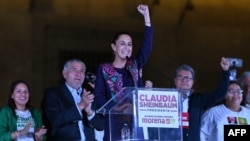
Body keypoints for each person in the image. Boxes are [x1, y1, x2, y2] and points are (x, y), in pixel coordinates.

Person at [93, 4, 153, 140]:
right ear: (114, 47)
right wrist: (118, 108)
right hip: (114, 124)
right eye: (122, 43)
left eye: (130, 44)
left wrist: (146, 17)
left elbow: (147, 47)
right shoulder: (104, 69)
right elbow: (99, 98)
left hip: (136, 124)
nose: (127, 47)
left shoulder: (134, 65)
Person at [148, 57, 230, 141]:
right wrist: (148, 94)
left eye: (187, 78)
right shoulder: (163, 98)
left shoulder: (199, 100)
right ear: (175, 80)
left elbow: (220, 93)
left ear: (192, 82)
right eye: (180, 77)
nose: (184, 80)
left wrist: (226, 71)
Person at [42, 59, 104, 141]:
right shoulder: (53, 93)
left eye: (82, 71)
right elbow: (55, 120)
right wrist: (80, 106)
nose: (78, 74)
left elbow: (101, 126)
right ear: (64, 74)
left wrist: (90, 112)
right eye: (74, 70)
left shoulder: (89, 94)